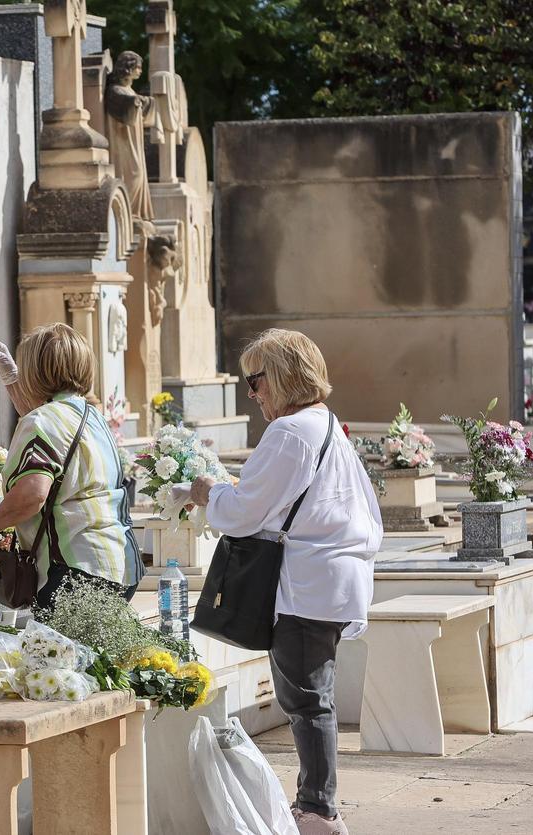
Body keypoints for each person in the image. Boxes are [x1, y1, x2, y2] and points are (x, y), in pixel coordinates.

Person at [189, 328, 381, 835]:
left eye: (255, 381)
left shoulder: (289, 432)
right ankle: (316, 804)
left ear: (279, 377)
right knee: (314, 697)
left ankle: (319, 811)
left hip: (307, 586)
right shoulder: (327, 425)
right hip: (336, 581)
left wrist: (210, 492)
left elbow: (243, 514)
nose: (252, 395)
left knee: (306, 700)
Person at [0, 324, 143, 609]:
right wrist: (11, 380)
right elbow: (50, 427)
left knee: (56, 654)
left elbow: (32, 496)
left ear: (34, 372)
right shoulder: (92, 416)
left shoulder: (42, 422)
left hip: (73, 569)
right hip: (119, 565)